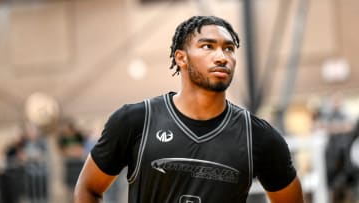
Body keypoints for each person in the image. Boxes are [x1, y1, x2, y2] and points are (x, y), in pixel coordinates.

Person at [74, 15, 304, 203]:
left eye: (229, 49)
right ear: (181, 58)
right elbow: (88, 188)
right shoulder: (135, 120)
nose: (222, 57)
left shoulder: (259, 136)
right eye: (208, 47)